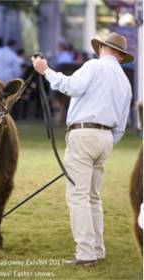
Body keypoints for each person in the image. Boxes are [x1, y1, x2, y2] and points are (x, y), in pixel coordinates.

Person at [32, 32, 133, 266]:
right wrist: (107, 141)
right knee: (93, 197)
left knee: (78, 196)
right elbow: (123, 120)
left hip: (83, 134)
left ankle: (86, 254)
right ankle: (97, 249)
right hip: (106, 138)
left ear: (103, 48)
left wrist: (45, 70)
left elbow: (71, 87)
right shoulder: (125, 81)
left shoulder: (94, 66)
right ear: (121, 54)